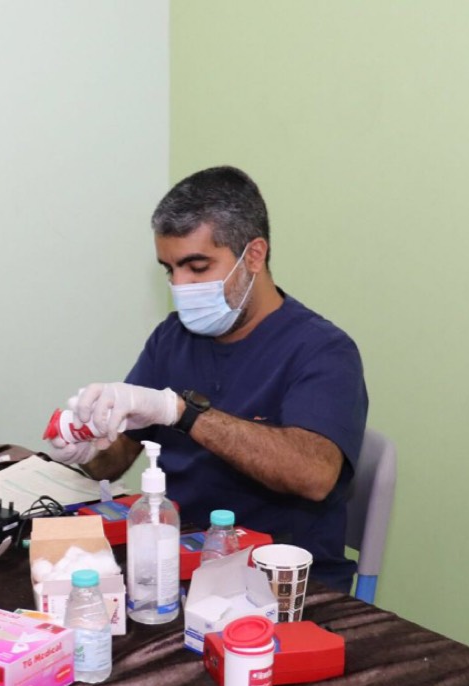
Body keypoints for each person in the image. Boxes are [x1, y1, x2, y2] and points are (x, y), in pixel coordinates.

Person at [48, 166, 367, 591]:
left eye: (196, 267)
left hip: (281, 582)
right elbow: (118, 457)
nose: (180, 285)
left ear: (253, 255)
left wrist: (182, 413)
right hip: (178, 561)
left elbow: (314, 475)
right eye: (169, 270)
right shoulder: (172, 338)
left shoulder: (322, 351)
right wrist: (89, 448)